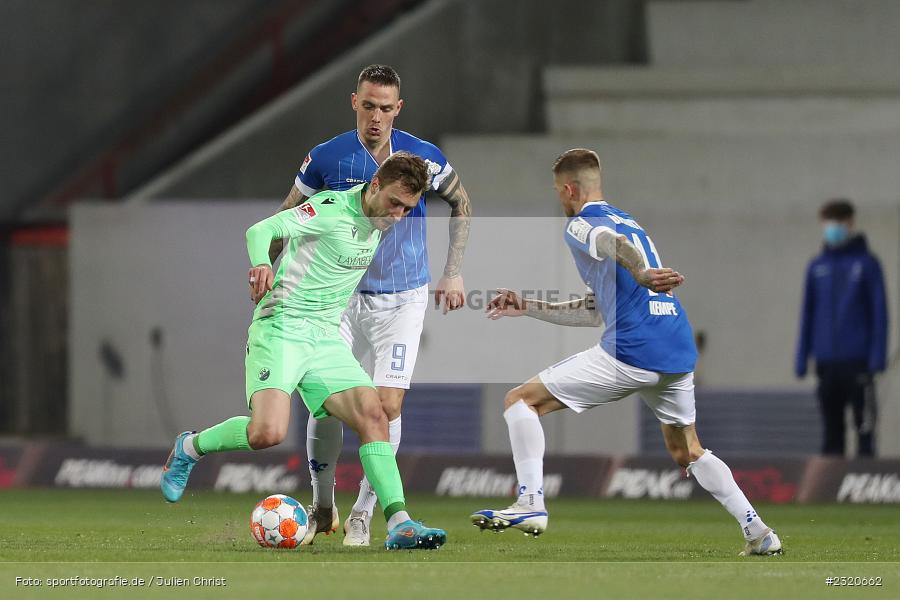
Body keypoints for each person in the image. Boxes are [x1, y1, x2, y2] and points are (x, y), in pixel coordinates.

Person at [470, 149, 782, 556]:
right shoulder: (631, 220)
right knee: (687, 449)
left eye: (557, 192)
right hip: (675, 345)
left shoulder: (582, 223)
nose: (558, 200)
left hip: (633, 349)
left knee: (520, 402)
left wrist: (640, 273)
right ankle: (759, 532)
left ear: (568, 189)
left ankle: (530, 502)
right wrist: (528, 306)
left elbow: (609, 243)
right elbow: (593, 309)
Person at [160, 152, 447, 551]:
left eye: (408, 209)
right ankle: (188, 447)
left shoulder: (380, 219)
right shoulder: (331, 208)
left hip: (325, 338)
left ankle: (399, 521)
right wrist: (261, 263)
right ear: (376, 185)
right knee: (267, 433)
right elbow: (260, 230)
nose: (398, 215)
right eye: (395, 203)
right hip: (281, 329)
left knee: (374, 415)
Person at [265, 64, 472, 546]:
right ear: (353, 102)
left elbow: (461, 202)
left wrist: (454, 269)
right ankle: (321, 504)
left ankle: (363, 511)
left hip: (402, 298)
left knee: (387, 405)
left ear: (398, 109)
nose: (376, 117)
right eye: (368, 106)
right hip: (335, 299)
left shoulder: (422, 157)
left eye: (386, 108)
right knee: (326, 406)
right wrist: (273, 271)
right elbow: (287, 214)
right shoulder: (327, 157)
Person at [795, 199, 888, 456]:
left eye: (837, 222)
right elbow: (808, 314)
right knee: (831, 432)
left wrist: (877, 357)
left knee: (864, 428)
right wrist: (803, 357)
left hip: (859, 362)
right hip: (826, 363)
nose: (832, 228)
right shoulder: (817, 267)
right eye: (828, 223)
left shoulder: (867, 264)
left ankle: (865, 487)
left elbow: (880, 313)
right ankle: (831, 490)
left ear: (850, 223)